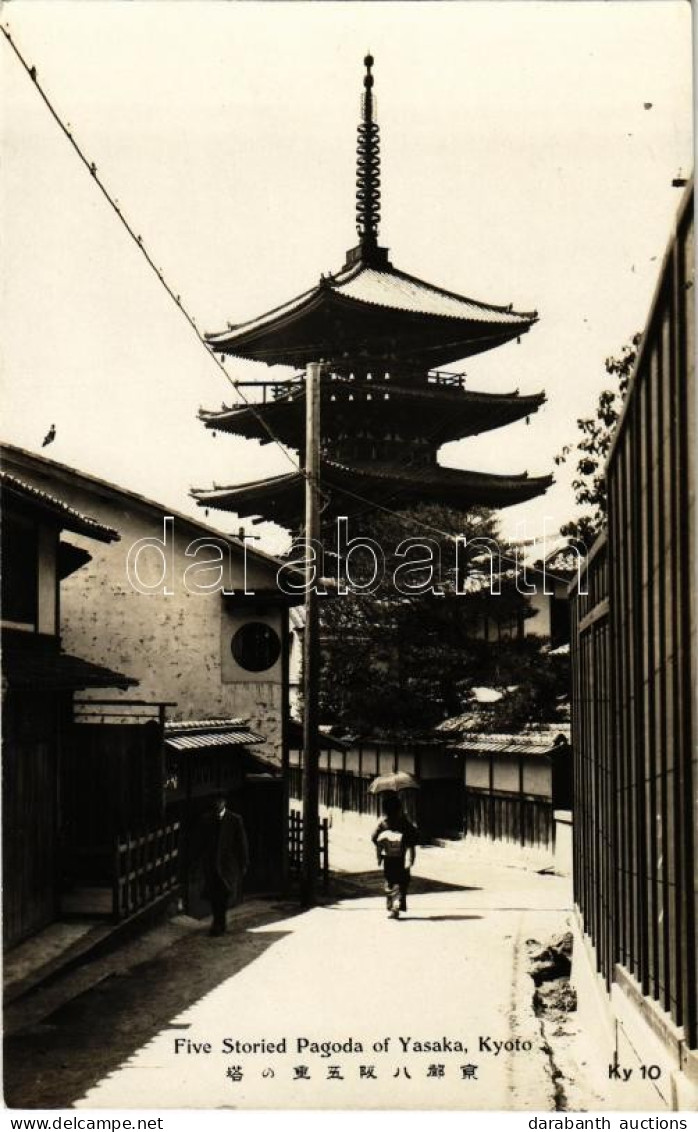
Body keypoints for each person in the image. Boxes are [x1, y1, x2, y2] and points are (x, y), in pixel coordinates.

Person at [196, 794, 249, 936]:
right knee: (214, 894)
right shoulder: (206, 819)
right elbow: (201, 842)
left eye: (220, 801)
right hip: (212, 863)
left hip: (228, 864)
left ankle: (221, 921)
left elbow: (241, 843)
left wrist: (243, 862)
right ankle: (217, 922)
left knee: (225, 893)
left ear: (224, 802)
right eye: (215, 801)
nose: (217, 804)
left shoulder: (234, 819)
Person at [371, 792, 418, 919]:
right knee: (402, 881)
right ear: (399, 809)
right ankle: (398, 904)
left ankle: (392, 905)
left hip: (388, 858)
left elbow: (374, 838)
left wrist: (382, 849)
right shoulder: (404, 823)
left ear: (385, 810)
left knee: (390, 881)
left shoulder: (383, 824)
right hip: (402, 857)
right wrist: (411, 858)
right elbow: (413, 838)